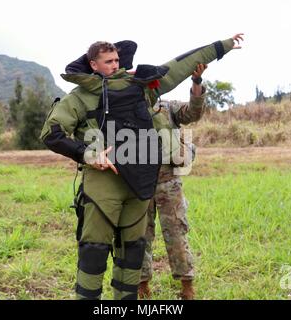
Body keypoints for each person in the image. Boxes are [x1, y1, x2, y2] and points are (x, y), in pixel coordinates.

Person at [40, 34, 243, 300]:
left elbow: (181, 65)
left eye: (117, 60)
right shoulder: (78, 98)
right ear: (93, 64)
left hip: (141, 183)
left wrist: (223, 46)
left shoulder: (143, 88)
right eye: (109, 61)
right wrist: (89, 154)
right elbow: (51, 134)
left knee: (132, 250)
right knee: (94, 250)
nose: (115, 65)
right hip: (103, 183)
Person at [138, 63, 207, 300]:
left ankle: (187, 288)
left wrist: (196, 83)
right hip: (139, 183)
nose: (152, 88)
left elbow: (193, 113)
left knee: (177, 233)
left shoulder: (167, 107)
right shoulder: (130, 109)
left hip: (169, 181)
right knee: (139, 235)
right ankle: (142, 286)